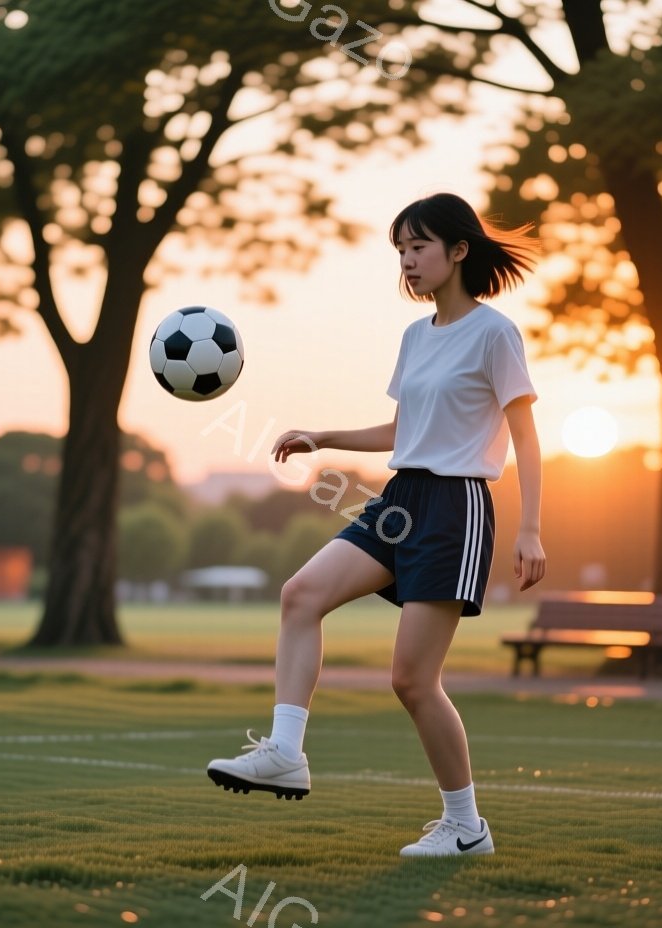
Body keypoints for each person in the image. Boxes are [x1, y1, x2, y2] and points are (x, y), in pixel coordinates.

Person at [206, 192, 547, 857]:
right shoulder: (416, 336)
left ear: (458, 251)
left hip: (457, 506)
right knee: (300, 595)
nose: (408, 261)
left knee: (413, 681)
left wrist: (531, 530)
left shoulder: (495, 334)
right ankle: (285, 751)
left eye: (419, 246)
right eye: (400, 250)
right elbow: (402, 427)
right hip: (400, 498)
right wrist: (322, 435)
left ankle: (466, 827)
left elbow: (526, 439)